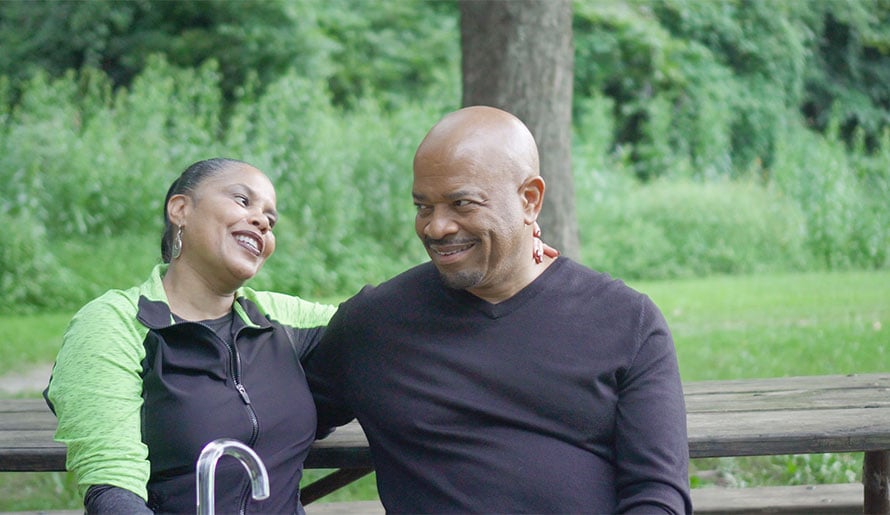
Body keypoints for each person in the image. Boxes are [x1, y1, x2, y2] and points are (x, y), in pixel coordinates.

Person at [305, 106, 693, 513]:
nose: (436, 227)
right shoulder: (376, 326)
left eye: (462, 203)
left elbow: (657, 493)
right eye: (423, 207)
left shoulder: (626, 322)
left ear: (529, 200)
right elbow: (274, 409)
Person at [44, 158, 336, 514]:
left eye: (270, 221)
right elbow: (113, 488)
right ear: (181, 209)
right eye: (243, 201)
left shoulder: (280, 318)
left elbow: (380, 320)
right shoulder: (114, 323)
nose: (262, 221)